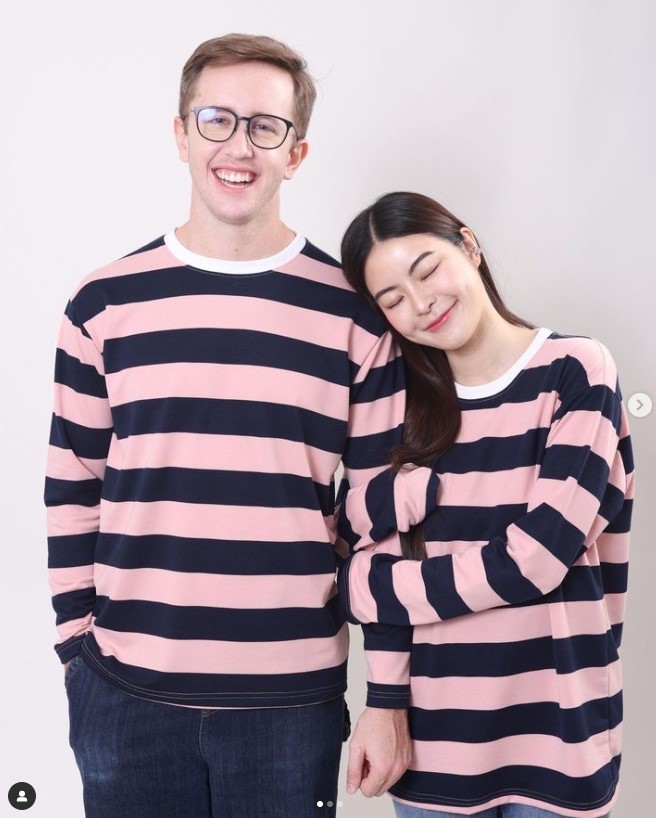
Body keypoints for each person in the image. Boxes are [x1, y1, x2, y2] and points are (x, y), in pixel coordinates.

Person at [44, 34, 412, 818]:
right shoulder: (103, 304)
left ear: (296, 153)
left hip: (290, 705)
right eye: (216, 119)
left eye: (265, 126)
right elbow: (73, 486)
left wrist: (387, 695)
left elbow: (382, 523)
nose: (239, 146)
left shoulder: (354, 315)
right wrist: (77, 649)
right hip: (125, 696)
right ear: (181, 134)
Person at [335, 191, 633, 817]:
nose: (421, 304)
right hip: (434, 745)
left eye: (427, 270)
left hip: (561, 733)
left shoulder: (576, 371)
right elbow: (355, 531)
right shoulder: (399, 409)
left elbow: (537, 559)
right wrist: (383, 702)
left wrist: (379, 587)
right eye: (392, 300)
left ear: (467, 246)